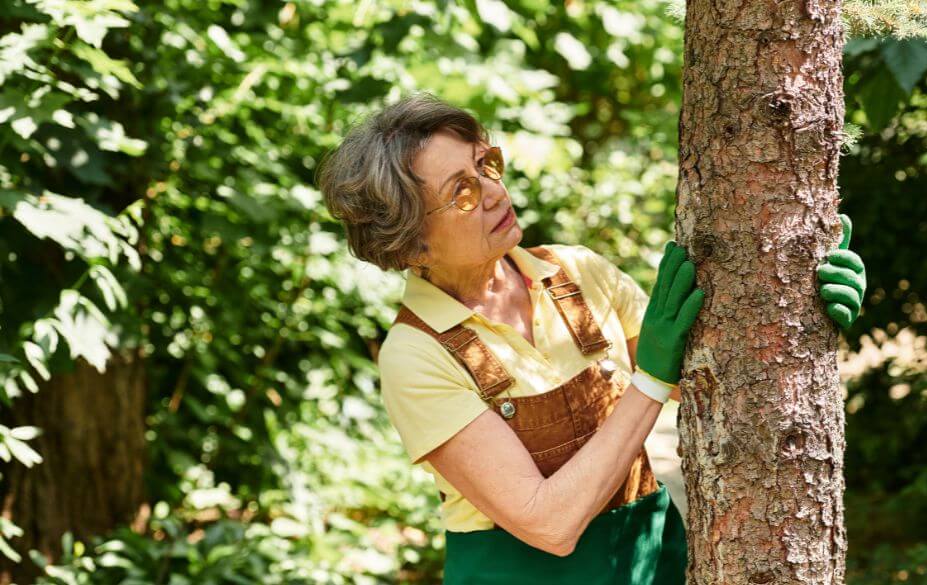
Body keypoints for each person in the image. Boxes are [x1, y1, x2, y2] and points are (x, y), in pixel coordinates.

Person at [315, 92, 866, 584]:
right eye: (460, 193)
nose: (491, 191)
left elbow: (714, 385)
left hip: (656, 568)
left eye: (487, 165)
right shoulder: (416, 355)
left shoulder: (576, 273)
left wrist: (799, 306)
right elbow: (548, 523)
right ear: (410, 243)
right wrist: (649, 379)